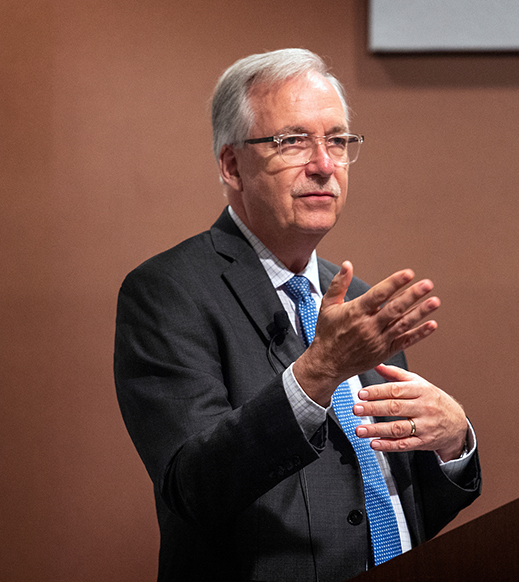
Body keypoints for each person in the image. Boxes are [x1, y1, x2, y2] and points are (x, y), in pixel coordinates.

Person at [114, 48, 481, 582]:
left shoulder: (354, 298)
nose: (324, 165)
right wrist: (319, 372)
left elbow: (381, 510)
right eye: (292, 141)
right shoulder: (168, 292)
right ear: (232, 164)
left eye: (337, 140)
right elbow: (193, 490)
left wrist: (452, 444)